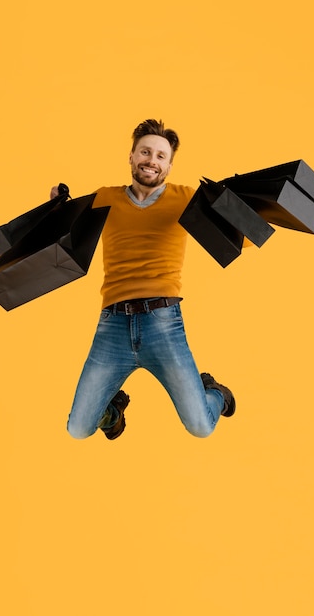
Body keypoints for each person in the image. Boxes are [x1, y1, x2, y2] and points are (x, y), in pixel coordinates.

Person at [50, 119, 236, 441]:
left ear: (170, 165)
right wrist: (56, 206)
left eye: (161, 156)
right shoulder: (103, 199)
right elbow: (65, 234)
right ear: (132, 157)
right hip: (113, 325)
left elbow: (237, 239)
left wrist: (232, 208)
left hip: (162, 323)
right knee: (78, 429)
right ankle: (113, 409)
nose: (152, 160)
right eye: (145, 152)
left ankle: (214, 392)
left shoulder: (187, 199)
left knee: (201, 426)